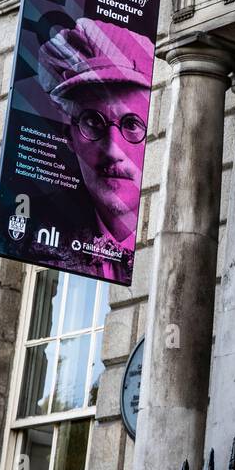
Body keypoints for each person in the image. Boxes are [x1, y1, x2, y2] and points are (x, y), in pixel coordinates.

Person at [36, 17, 153, 285]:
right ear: (70, 137)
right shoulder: (40, 243)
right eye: (92, 122)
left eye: (132, 124)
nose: (112, 149)